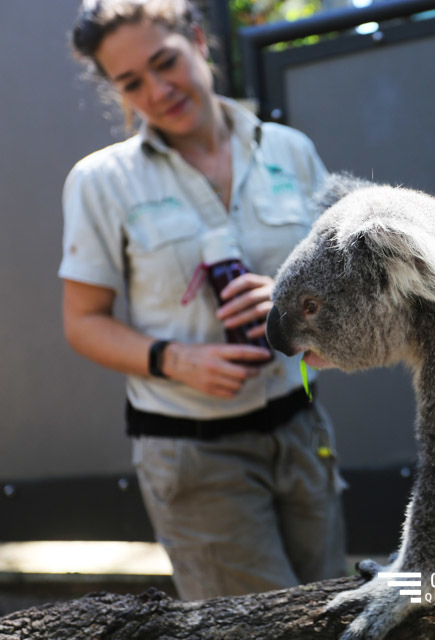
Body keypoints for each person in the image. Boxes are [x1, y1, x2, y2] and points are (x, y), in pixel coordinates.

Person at [60, 0, 346, 599]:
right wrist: (175, 359)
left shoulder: (290, 151)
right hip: (193, 453)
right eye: (131, 82)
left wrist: (293, 296)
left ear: (198, 39)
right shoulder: (102, 181)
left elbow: (347, 283)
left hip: (302, 430)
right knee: (261, 629)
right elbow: (83, 323)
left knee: (333, 608)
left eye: (166, 63)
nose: (158, 90)